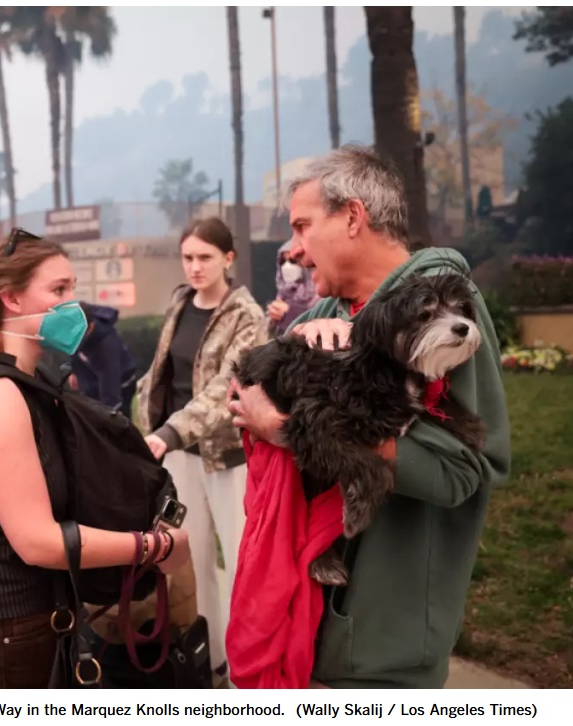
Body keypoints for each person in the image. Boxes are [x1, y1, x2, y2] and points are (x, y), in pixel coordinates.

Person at [227, 145, 511, 689]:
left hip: (387, 651)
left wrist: (297, 432)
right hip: (307, 631)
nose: (295, 251)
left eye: (303, 227)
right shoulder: (321, 315)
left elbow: (471, 470)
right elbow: (241, 397)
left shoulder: (443, 308)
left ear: (353, 217)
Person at [0, 228, 191, 689]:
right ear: (12, 298)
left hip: (37, 624)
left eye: (72, 288)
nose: (72, 304)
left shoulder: (28, 384)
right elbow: (37, 541)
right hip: (5, 635)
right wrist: (152, 547)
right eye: (58, 290)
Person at [135, 216, 268, 685]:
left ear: (228, 259)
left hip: (229, 457)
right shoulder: (179, 302)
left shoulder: (248, 317)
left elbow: (222, 390)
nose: (195, 267)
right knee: (186, 564)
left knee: (237, 560)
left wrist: (166, 434)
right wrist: (141, 428)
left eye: (205, 258)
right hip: (177, 454)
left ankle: (242, 667)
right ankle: (204, 657)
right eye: (188, 257)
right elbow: (160, 376)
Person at [69, 302, 138, 418]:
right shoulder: (77, 332)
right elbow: (74, 351)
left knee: (116, 417)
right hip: (93, 375)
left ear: (91, 326)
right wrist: (75, 372)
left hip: (122, 382)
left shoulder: (106, 345)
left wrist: (109, 417)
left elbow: (111, 391)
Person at [266, 240, 319, 337]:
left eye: (293, 261)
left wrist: (288, 313)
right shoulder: (282, 294)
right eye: (283, 261)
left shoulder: (321, 294)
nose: (286, 266)